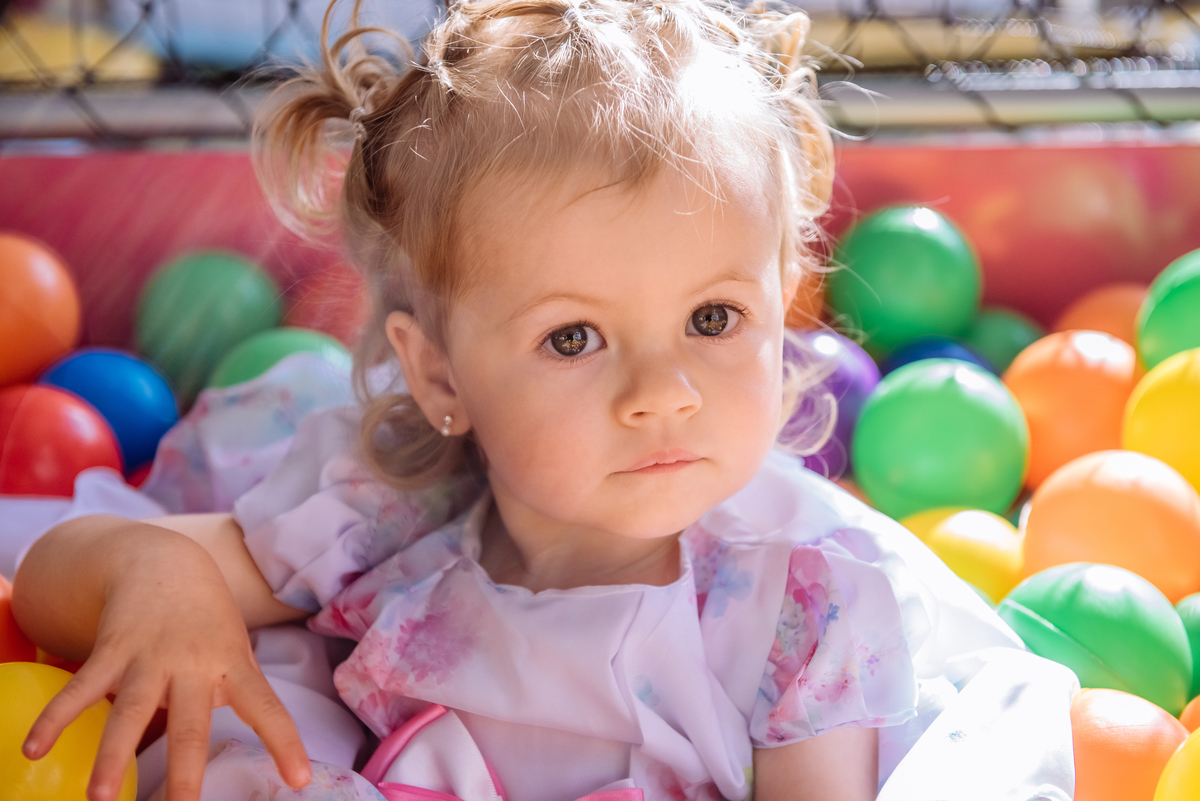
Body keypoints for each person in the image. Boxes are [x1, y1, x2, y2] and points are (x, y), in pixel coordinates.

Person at [9, 0, 1078, 799]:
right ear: (441, 374)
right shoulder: (390, 511)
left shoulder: (802, 614)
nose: (661, 394)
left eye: (713, 318)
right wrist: (152, 575)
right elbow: (50, 579)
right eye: (573, 337)